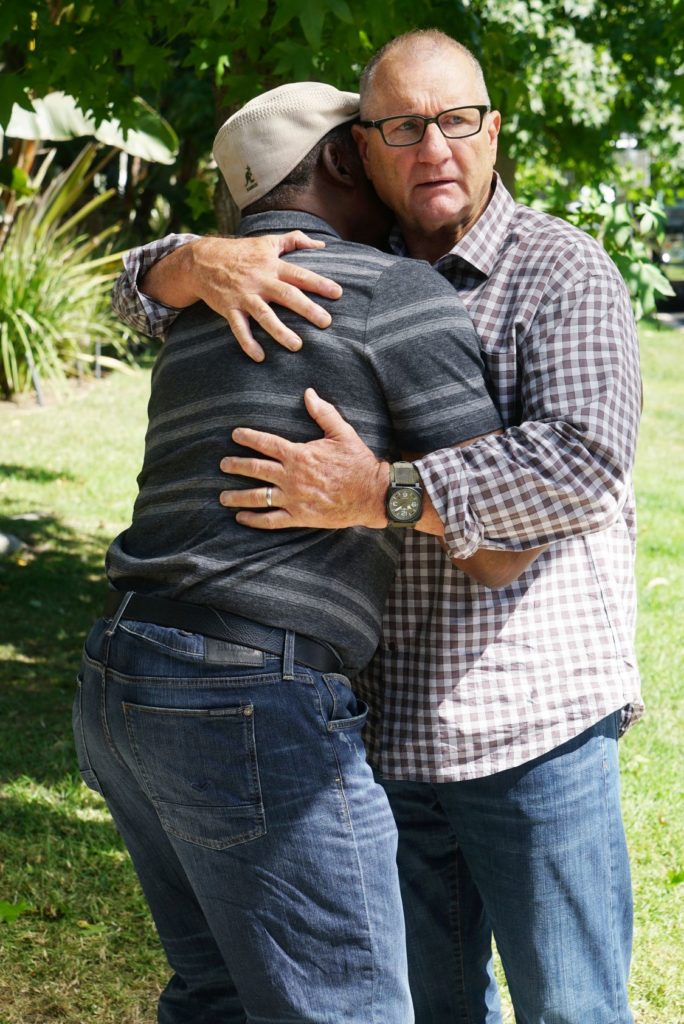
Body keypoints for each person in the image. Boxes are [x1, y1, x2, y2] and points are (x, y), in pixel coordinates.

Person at [112, 31, 643, 1024]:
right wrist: (193, 258)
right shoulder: (311, 264)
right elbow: (131, 294)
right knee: (422, 1006)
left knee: (572, 1009)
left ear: (492, 132)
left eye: (456, 121)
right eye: (403, 127)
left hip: (528, 722)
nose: (433, 148)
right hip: (380, 728)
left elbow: (582, 467)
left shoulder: (560, 269)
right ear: (360, 150)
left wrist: (379, 494)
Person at [76, 80, 528, 1024]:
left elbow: (136, 286)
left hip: (121, 676)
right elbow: (495, 546)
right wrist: (393, 492)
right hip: (251, 697)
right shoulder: (391, 290)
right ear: (337, 161)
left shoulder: (192, 309)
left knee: (217, 993)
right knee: (346, 1007)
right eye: (370, 142)